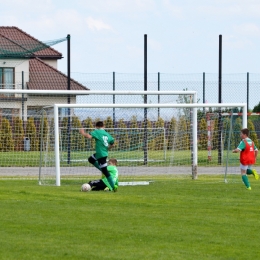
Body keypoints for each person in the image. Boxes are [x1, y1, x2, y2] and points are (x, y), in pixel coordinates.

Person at [79, 121, 117, 192]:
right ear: (103, 126)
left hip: (100, 155)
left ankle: (113, 187)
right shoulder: (107, 134)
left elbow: (89, 136)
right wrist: (108, 148)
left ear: (96, 126)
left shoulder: (97, 132)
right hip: (102, 153)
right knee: (91, 159)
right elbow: (112, 143)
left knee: (105, 172)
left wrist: (82, 133)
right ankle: (104, 170)